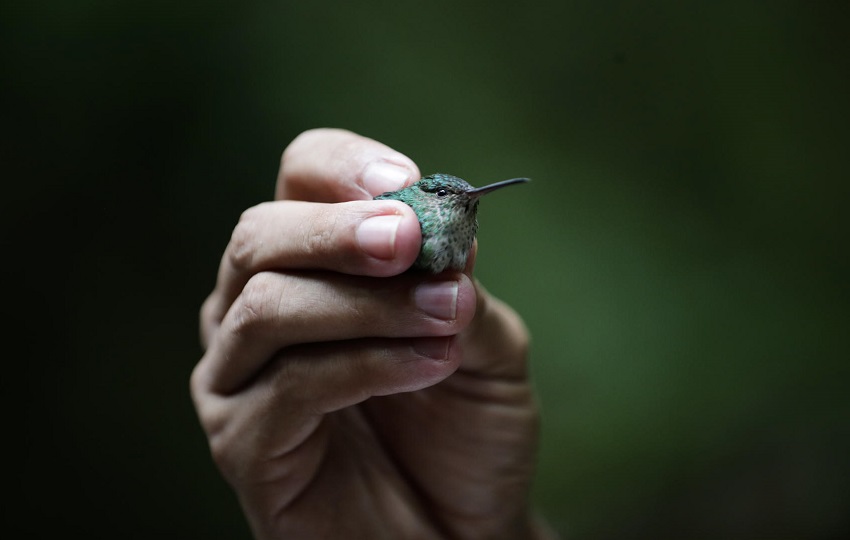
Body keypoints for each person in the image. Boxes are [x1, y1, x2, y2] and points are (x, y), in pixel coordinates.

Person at [190, 128, 558, 539]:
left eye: (469, 200)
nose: (462, 202)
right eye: (442, 196)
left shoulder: (460, 239)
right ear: (423, 198)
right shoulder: (397, 213)